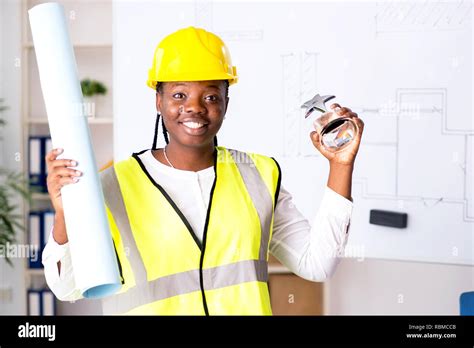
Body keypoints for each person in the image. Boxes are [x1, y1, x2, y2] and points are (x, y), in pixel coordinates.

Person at [42, 26, 364, 315]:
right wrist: (63, 217)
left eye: (210, 95)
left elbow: (317, 263)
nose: (194, 107)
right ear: (158, 100)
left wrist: (340, 166)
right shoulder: (114, 186)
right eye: (179, 94)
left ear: (226, 100)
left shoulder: (259, 176)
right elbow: (67, 288)